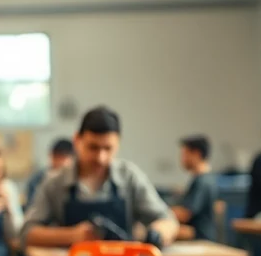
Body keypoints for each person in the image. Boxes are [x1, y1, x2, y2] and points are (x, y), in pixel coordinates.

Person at [22, 106, 179, 247]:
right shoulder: (55, 182)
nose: (100, 157)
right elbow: (27, 232)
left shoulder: (129, 177)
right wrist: (71, 236)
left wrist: (157, 234)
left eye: (108, 148)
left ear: (118, 144)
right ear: (77, 140)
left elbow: (168, 220)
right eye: (93, 147)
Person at [171, 135, 218, 241]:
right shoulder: (206, 179)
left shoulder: (202, 181)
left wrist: (160, 211)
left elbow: (185, 214)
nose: (182, 159)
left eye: (184, 154)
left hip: (199, 237)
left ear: (196, 154)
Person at [25, 138, 74, 206]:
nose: (59, 162)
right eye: (56, 157)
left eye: (62, 158)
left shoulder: (76, 179)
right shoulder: (37, 180)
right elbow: (32, 207)